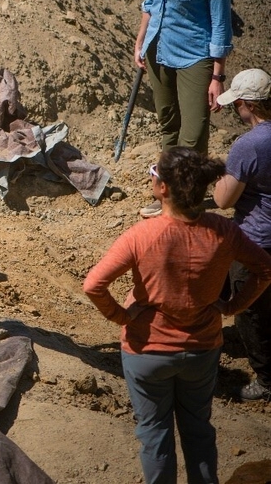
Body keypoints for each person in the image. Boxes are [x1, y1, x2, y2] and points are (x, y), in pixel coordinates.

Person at [84, 147, 271, 484]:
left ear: (163, 189)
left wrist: (121, 317)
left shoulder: (141, 235)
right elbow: (263, 270)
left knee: (154, 434)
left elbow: (94, 284)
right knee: (198, 430)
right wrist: (232, 307)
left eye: (155, 173)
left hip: (147, 350)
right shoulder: (223, 232)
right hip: (201, 349)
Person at [132, 0, 232, 216]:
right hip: (157, 48)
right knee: (168, 124)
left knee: (193, 132)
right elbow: (151, 0)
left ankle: (186, 200)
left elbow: (220, 22)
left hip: (194, 55)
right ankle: (168, 194)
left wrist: (217, 74)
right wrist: (140, 39)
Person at [212, 69, 271, 402]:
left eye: (238, 105)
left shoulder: (249, 145)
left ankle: (266, 380)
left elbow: (223, 200)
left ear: (249, 104)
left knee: (251, 309)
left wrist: (223, 173)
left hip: (256, 239)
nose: (237, 110)